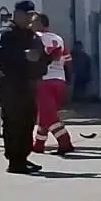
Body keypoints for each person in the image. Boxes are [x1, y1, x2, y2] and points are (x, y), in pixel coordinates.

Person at [0, 0, 50, 174]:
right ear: (16, 14)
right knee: (13, 123)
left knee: (28, 122)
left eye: (31, 15)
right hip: (12, 85)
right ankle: (14, 161)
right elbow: (0, 55)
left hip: (28, 85)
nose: (29, 19)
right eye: (26, 15)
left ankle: (23, 157)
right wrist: (23, 56)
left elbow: (42, 56)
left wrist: (41, 59)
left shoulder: (30, 35)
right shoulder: (6, 33)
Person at [32, 13, 75, 155]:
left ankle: (65, 142)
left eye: (33, 22)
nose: (31, 24)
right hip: (59, 80)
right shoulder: (58, 39)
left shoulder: (35, 38)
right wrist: (68, 80)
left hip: (44, 80)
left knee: (49, 117)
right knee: (46, 114)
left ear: (40, 23)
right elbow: (67, 60)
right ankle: (38, 144)